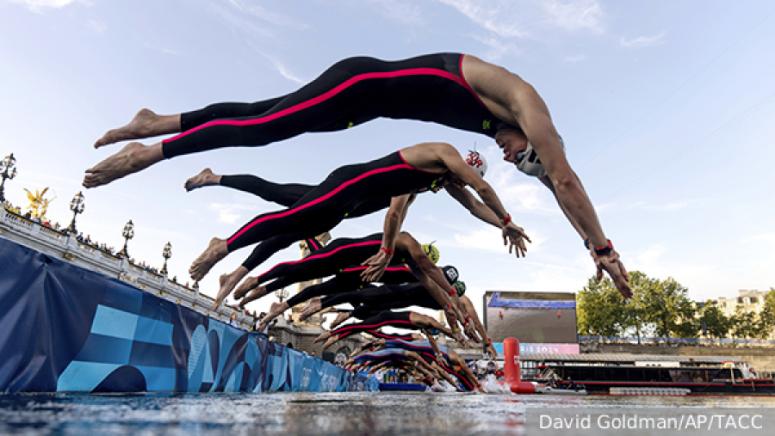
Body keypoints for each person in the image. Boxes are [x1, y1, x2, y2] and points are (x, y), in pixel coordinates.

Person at [84, 52, 630, 296]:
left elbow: (487, 196)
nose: (512, 157)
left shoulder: (492, 132)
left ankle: (159, 121)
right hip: (359, 84)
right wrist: (601, 248)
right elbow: (563, 180)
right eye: (522, 154)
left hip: (360, 105)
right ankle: (157, 148)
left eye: (518, 161)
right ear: (536, 139)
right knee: (267, 126)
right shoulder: (524, 100)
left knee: (263, 116)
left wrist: (505, 226)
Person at [186, 142, 529, 313]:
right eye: (462, 180)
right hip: (347, 185)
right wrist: (385, 251)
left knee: (285, 221)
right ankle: (224, 245)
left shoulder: (440, 180)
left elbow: (473, 205)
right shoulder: (439, 158)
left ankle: (234, 270)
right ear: (464, 168)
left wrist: (500, 224)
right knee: (287, 217)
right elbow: (395, 214)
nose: (460, 186)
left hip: (347, 207)